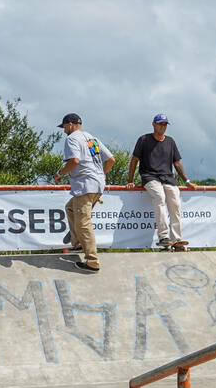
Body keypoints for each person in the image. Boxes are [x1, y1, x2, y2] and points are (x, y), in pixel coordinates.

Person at [53, 113, 114, 272]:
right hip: (98, 185)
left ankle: (92, 261)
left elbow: (74, 161)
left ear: (71, 124)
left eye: (65, 127)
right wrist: (101, 175)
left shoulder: (72, 138)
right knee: (70, 208)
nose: (64, 130)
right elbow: (111, 160)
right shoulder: (92, 139)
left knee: (83, 223)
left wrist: (59, 174)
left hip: (85, 185)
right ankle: (78, 243)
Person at [128, 113, 192, 249]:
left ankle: (176, 240)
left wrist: (187, 181)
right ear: (153, 124)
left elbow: (177, 163)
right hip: (149, 176)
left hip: (168, 178)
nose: (162, 127)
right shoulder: (144, 139)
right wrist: (130, 180)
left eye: (165, 124)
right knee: (160, 197)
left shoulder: (170, 141)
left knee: (175, 203)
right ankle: (163, 236)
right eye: (160, 124)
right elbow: (134, 160)